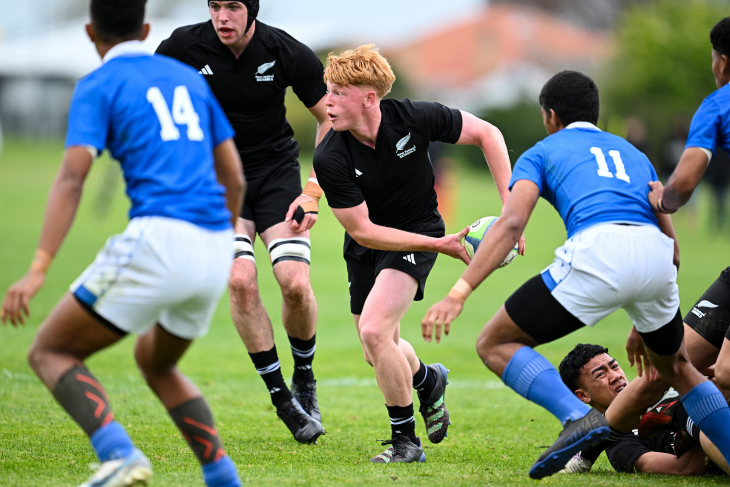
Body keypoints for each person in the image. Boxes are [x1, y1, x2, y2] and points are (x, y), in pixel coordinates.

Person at [422, 69, 730, 479]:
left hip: (598, 252)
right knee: (680, 369)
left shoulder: (542, 151)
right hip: (655, 257)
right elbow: (671, 247)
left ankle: (577, 418)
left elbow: (512, 224)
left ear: (550, 116)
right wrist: (647, 313)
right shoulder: (632, 154)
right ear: (596, 115)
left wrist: (458, 292)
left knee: (495, 342)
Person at [0, 1, 245, 486]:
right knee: (156, 362)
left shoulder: (97, 84)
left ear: (90, 32)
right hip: (218, 242)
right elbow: (234, 177)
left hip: (159, 238)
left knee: (49, 352)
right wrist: (219, 237)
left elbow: (72, 180)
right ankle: (224, 479)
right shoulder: (189, 78)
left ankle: (120, 453)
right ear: (146, 28)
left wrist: (39, 266)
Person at [313, 44, 520, 463]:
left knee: (374, 330)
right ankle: (427, 380)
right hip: (370, 243)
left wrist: (511, 205)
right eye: (327, 92)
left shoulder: (413, 116)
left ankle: (406, 442)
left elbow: (487, 134)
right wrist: (438, 247)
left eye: (337, 93)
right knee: (377, 346)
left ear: (369, 98)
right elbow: (363, 230)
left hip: (418, 227)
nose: (327, 103)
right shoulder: (330, 155)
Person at [156, 0, 331, 443]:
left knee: (293, 282)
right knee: (239, 279)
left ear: (251, 11)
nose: (222, 17)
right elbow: (148, 95)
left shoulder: (288, 52)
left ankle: (304, 380)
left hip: (276, 175)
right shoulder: (183, 46)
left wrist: (312, 191)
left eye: (233, 7)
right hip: (217, 183)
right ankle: (282, 401)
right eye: (215, 7)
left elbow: (331, 116)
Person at [559, 344, 726, 475]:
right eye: (601, 375)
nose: (616, 376)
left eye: (615, 366)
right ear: (583, 396)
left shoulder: (659, 385)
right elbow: (686, 468)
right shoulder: (619, 444)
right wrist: (686, 414)